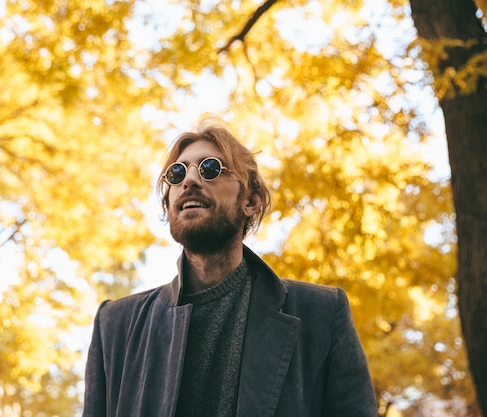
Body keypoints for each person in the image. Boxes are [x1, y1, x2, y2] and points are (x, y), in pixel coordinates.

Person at [82, 123, 377, 417]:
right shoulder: (115, 325)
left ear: (250, 201)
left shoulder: (321, 314)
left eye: (210, 168)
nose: (190, 181)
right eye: (177, 173)